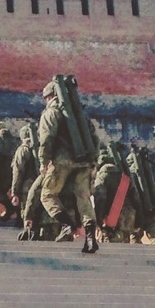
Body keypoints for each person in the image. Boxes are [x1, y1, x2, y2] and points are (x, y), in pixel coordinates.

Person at [34, 80, 98, 251]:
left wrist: (43, 162)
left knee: (47, 195)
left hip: (62, 161)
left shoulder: (51, 113)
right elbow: (95, 138)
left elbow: (46, 140)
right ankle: (91, 239)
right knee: (83, 199)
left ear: (49, 97)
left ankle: (67, 225)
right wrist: (93, 162)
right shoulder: (80, 114)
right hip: (84, 161)